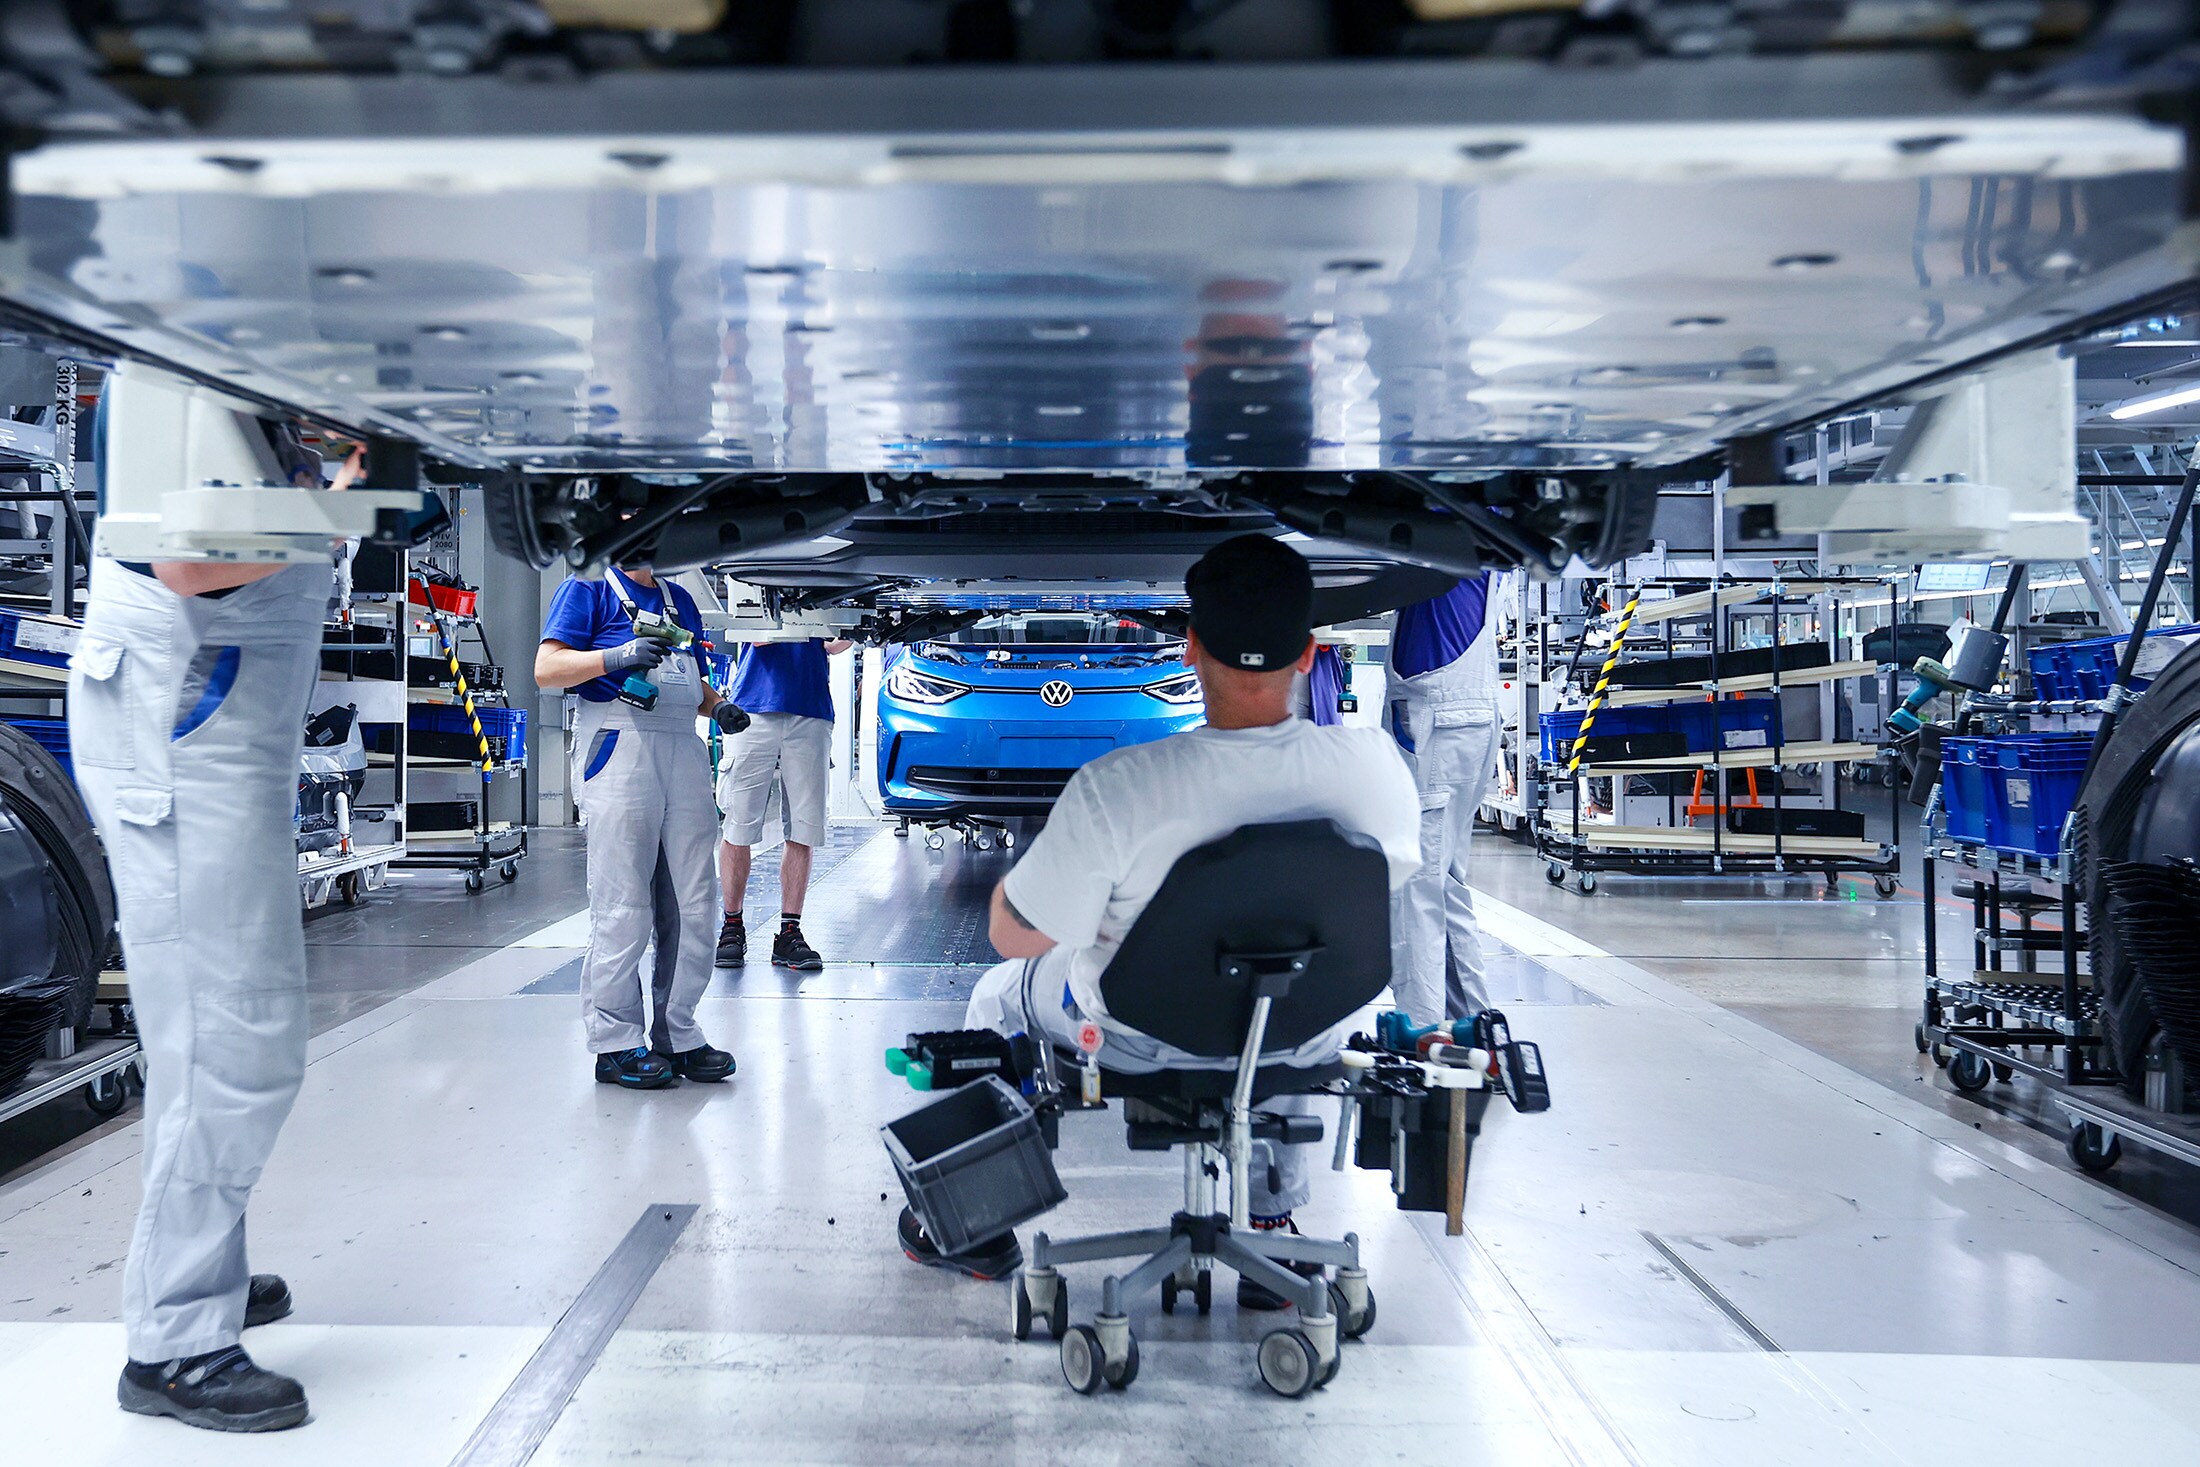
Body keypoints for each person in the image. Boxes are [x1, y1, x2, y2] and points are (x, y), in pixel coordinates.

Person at [899, 535, 1420, 1301]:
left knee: (995, 993)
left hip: (1138, 1037)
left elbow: (1016, 934)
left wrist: (1039, 888)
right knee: (1287, 975)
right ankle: (1273, 1223)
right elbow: (1384, 883)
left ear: (1192, 648)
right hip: (1304, 1034)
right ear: (1308, 653)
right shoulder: (1374, 767)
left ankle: (976, 1227)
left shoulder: (1123, 786)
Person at [71, 421, 332, 1433]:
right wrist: (350, 496)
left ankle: (198, 1269)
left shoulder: (224, 352)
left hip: (213, 727)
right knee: (238, 1038)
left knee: (210, 1038)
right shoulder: (176, 361)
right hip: (186, 733)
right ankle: (175, 1340)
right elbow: (186, 558)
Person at [537, 563, 750, 1090]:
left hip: (682, 744)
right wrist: (617, 656)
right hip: (617, 740)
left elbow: (689, 676)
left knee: (693, 901)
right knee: (624, 902)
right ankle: (614, 1043)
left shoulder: (680, 600)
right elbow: (547, 669)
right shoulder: (586, 588)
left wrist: (718, 706)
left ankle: (677, 1033)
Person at [1385, 571, 1503, 1026]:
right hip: (1463, 709)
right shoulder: (1485, 526)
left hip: (1439, 713)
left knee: (1418, 886)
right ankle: (1472, 1028)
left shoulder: (1449, 513)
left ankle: (1424, 1036)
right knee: (1444, 882)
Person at [714, 635, 850, 972]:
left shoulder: (830, 584)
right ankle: (732, 925)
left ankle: (790, 932)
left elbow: (834, 644)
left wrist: (846, 633)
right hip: (754, 706)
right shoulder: (758, 579)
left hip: (811, 708)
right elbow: (758, 636)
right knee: (739, 824)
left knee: (804, 827)